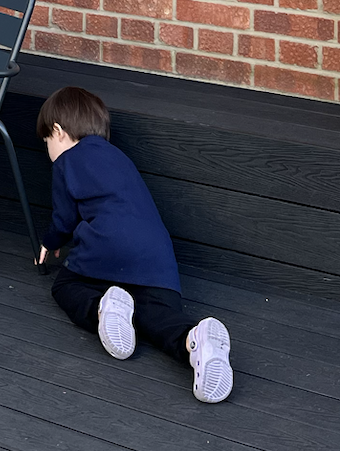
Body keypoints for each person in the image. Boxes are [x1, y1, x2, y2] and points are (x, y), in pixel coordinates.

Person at [36, 86, 234, 402]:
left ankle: (102, 309)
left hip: (107, 249)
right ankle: (194, 340)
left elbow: (64, 216)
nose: (48, 148)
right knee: (154, 317)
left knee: (66, 286)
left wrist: (50, 242)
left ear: (58, 132)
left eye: (46, 140)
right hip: (158, 262)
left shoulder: (67, 162)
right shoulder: (121, 159)